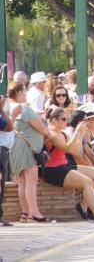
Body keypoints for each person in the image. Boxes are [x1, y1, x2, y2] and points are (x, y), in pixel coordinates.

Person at [41, 108, 94, 222]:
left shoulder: (62, 133)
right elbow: (67, 147)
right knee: (87, 181)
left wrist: (80, 134)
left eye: (67, 119)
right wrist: (78, 132)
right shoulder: (52, 134)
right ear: (54, 120)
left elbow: (75, 151)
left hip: (64, 166)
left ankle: (83, 205)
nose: (66, 122)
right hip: (53, 170)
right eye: (63, 119)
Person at [7, 81, 50, 222]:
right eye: (25, 91)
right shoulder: (24, 109)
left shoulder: (6, 107)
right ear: (19, 93)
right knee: (31, 181)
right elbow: (42, 129)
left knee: (23, 182)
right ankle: (34, 212)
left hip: (13, 147)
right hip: (27, 149)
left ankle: (25, 213)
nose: (26, 94)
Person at [0, 94, 24, 226]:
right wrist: (1, 109)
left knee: (1, 184)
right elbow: (9, 126)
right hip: (0, 151)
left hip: (3, 151)